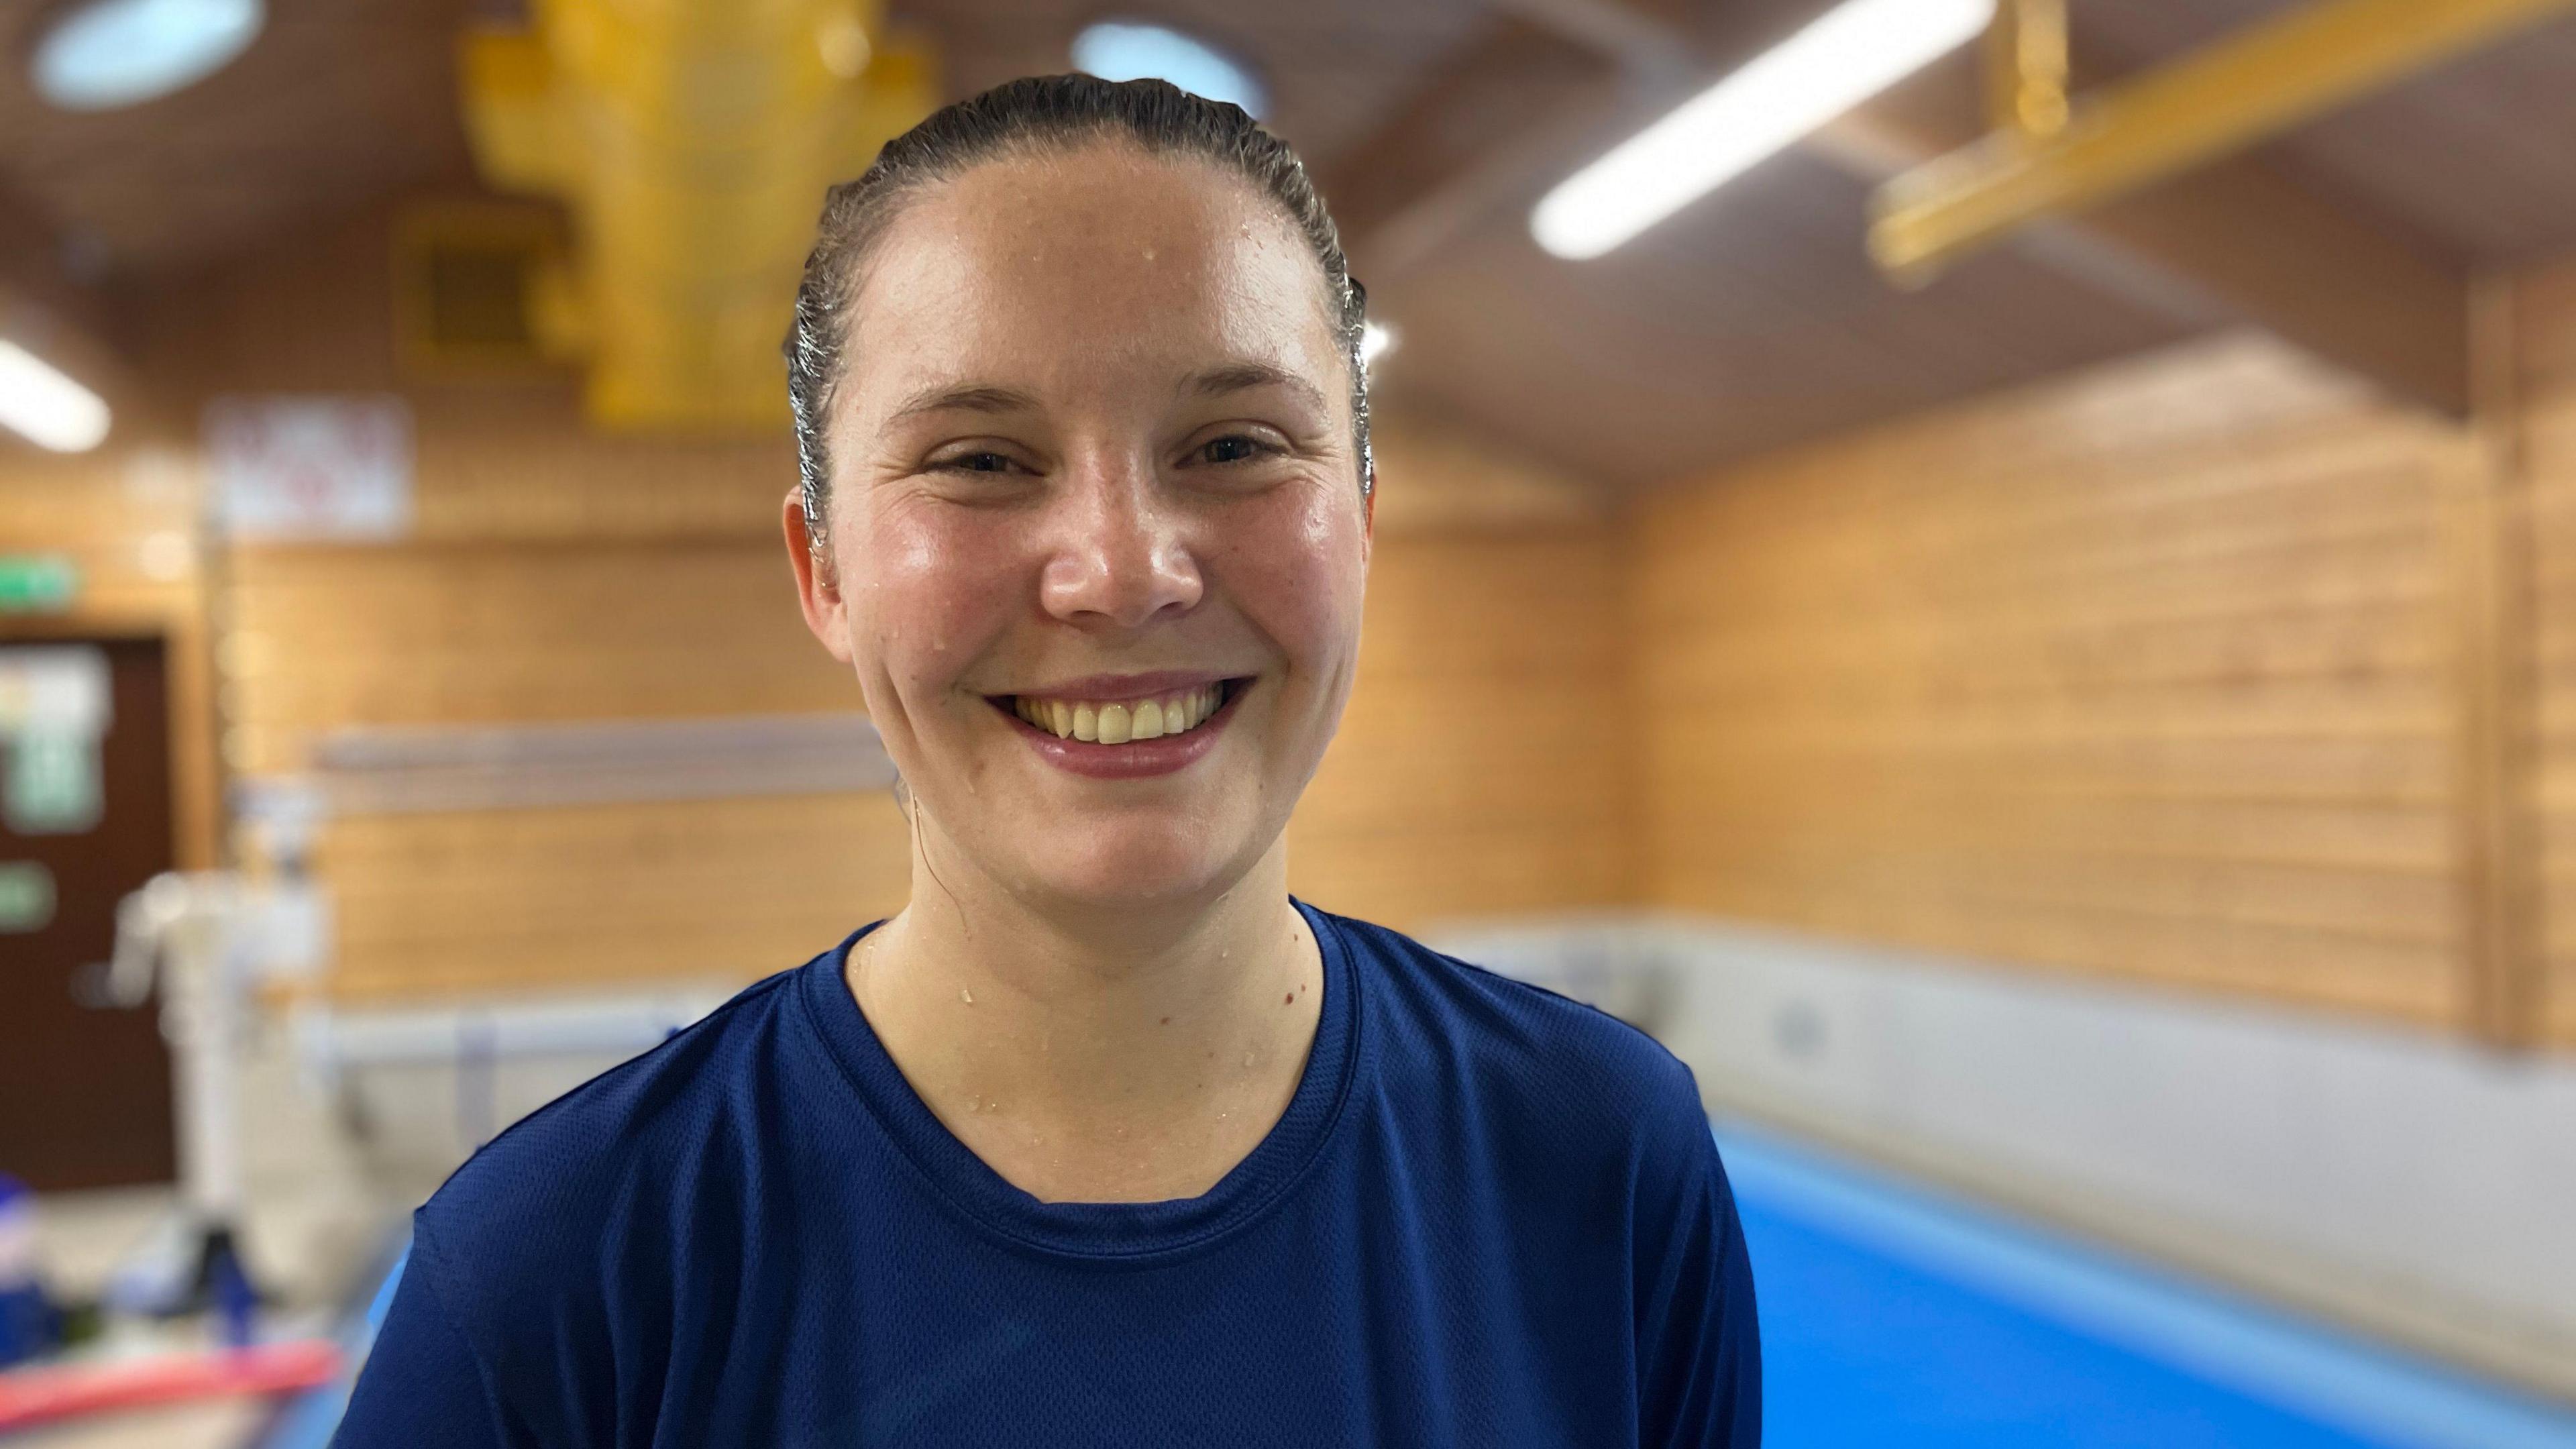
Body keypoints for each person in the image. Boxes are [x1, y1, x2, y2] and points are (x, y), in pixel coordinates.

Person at [333, 74, 1758, 1446]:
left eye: (1234, 444)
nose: (1123, 574)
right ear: (824, 570)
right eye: (981, 461)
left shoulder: (1602, 1162)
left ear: (1363, 527)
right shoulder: (559, 1275)